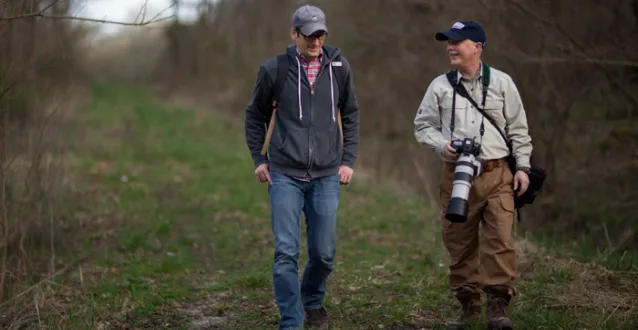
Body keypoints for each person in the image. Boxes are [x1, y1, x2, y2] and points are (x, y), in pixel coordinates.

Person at [244, 4, 360, 330]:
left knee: (323, 254)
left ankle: (312, 301)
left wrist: (348, 160)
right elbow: (255, 115)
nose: (315, 41)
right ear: (294, 33)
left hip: (326, 174)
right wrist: (259, 158)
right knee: (285, 254)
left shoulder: (339, 68)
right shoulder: (274, 69)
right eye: (309, 35)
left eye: (320, 34)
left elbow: (350, 114)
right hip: (284, 174)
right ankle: (291, 322)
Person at [413, 21, 532, 330]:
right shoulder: (439, 85)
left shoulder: (502, 83)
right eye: (448, 42)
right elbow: (423, 126)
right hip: (455, 176)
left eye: (458, 41)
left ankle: (497, 309)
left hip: (497, 174)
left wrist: (522, 168)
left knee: (500, 241)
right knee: (459, 244)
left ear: (477, 47)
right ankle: (468, 307)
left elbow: (519, 130)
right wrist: (443, 145)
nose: (450, 47)